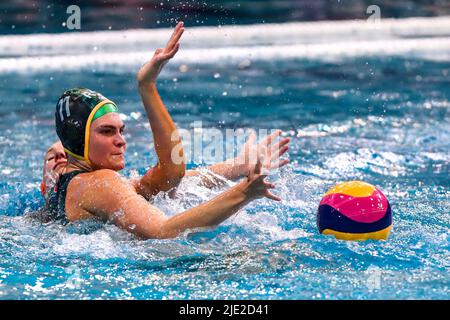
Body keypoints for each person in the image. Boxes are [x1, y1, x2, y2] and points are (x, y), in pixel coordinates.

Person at [45, 21, 290, 239]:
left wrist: (239, 166)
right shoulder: (100, 182)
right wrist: (243, 193)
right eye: (107, 132)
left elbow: (172, 175)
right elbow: (163, 231)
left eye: (121, 130)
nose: (121, 141)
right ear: (78, 137)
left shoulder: (69, 180)